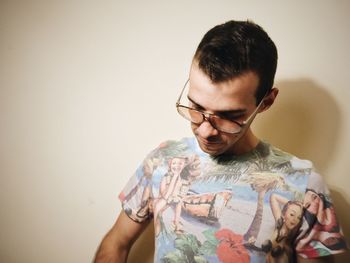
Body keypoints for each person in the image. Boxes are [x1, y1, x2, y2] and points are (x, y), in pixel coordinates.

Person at [94, 20, 347, 262]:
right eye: (196, 106)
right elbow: (115, 243)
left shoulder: (306, 186)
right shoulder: (161, 161)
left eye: (228, 116)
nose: (205, 131)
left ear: (266, 102)